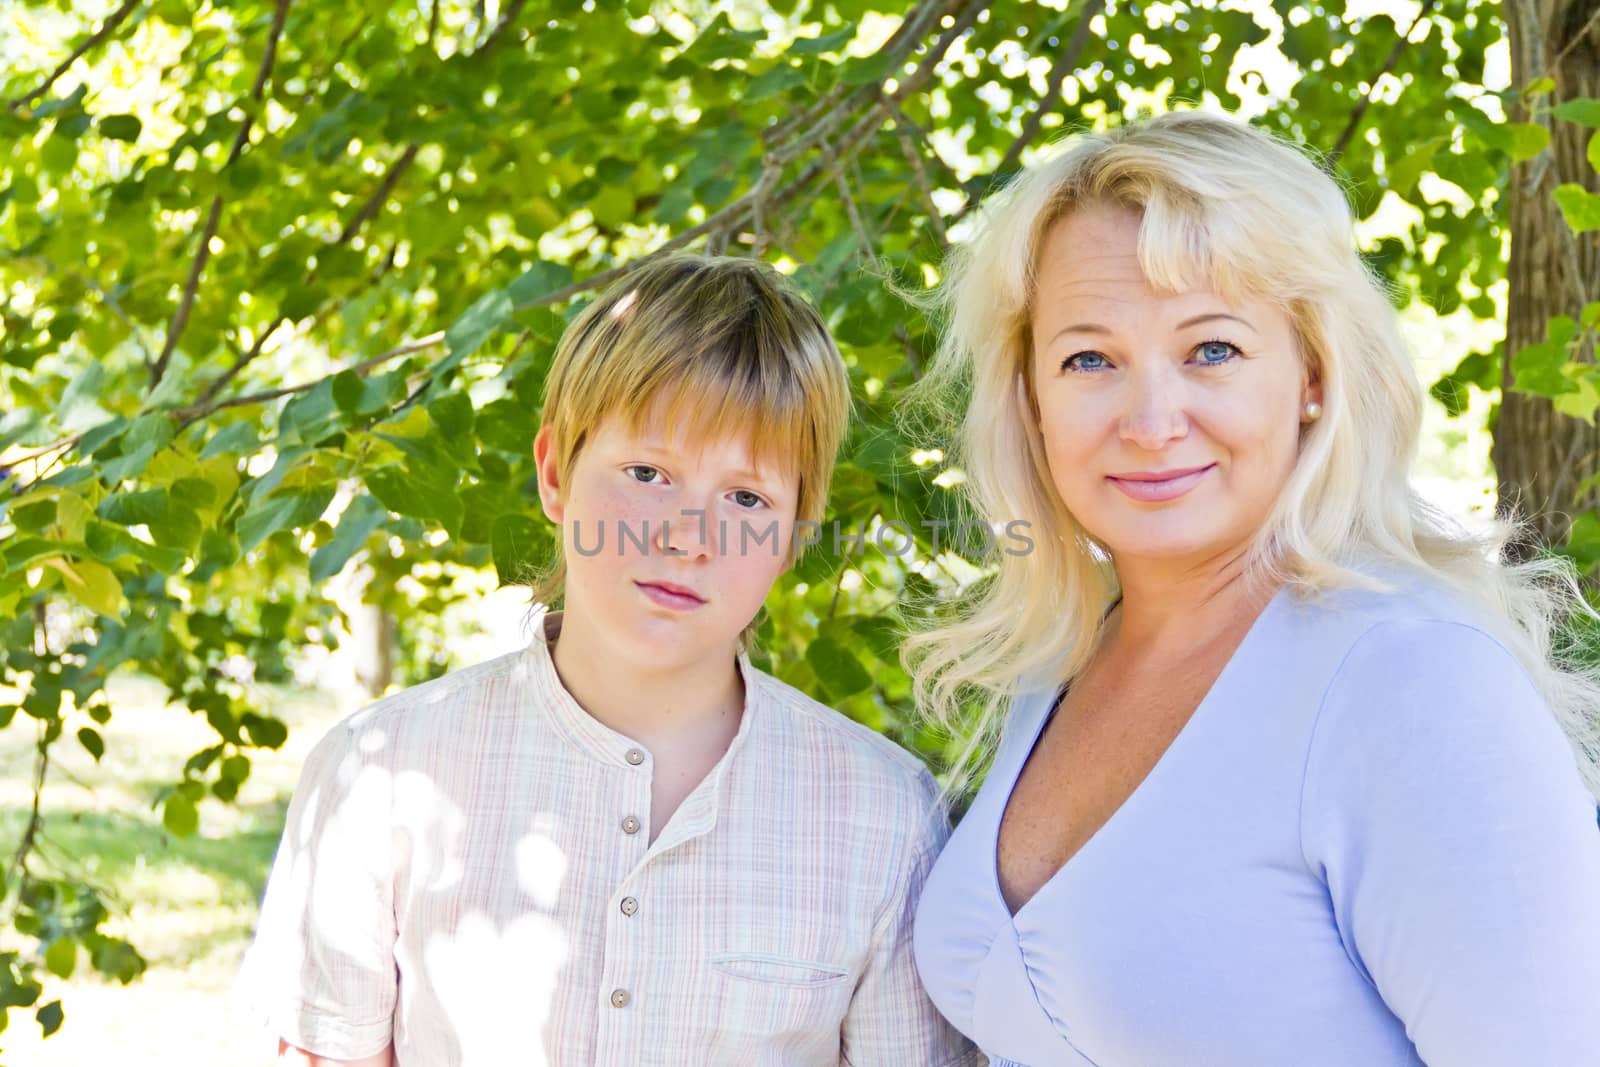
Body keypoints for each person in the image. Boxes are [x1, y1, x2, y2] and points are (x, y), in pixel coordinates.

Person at [901, 109, 1600, 1066]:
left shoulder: (1412, 681)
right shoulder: (1060, 664)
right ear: (1029, 395)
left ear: (1313, 372)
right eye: (1090, 358)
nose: (1151, 421)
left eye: (1213, 350)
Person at [237, 253, 975, 1066]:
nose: (687, 535)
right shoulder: (377, 776)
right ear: (555, 473)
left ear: (795, 532)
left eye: (747, 498)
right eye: (648, 472)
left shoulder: (883, 816)